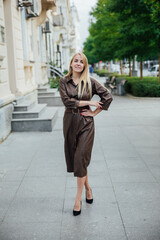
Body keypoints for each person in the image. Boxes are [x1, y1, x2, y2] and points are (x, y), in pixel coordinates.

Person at [59, 52, 113, 216]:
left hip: (85, 123)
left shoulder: (90, 82)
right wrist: (90, 102)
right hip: (69, 121)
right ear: (71, 64)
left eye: (81, 62)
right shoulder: (63, 81)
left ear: (84, 65)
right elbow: (67, 101)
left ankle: (77, 198)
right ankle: (88, 188)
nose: (78, 64)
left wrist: (95, 113)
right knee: (77, 159)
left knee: (81, 156)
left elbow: (107, 96)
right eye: (75, 61)